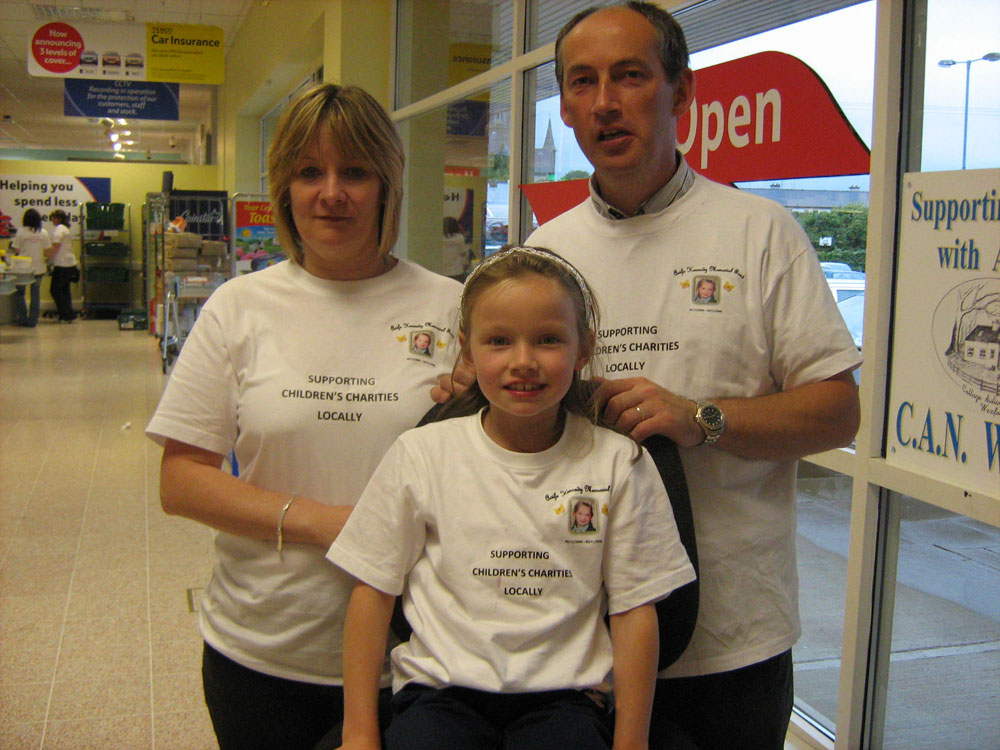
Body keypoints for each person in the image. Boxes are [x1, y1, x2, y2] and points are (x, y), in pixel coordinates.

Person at [519, 4, 863, 748]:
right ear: (569, 107)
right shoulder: (545, 253)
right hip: (578, 634)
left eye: (631, 75)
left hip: (733, 639)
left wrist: (703, 418)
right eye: (583, 82)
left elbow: (837, 413)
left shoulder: (760, 232)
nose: (606, 101)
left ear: (682, 94)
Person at [145, 83, 462, 750]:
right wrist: (331, 524)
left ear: (387, 184)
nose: (332, 193)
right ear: (284, 189)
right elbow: (182, 480)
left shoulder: (453, 309)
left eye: (355, 172)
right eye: (309, 172)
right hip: (265, 647)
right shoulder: (239, 307)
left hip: (416, 656)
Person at [330, 246, 695, 750]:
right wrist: (358, 734)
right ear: (468, 350)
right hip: (441, 692)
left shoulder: (618, 463)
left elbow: (635, 611)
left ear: (583, 348)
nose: (523, 362)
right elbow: (372, 592)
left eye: (548, 340)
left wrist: (632, 742)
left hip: (565, 698)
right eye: (499, 341)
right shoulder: (422, 454)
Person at [10, 208, 50, 327]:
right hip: (39, 267)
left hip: (23, 268)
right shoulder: (43, 232)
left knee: (19, 293)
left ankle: (22, 318)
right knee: (35, 294)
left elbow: (16, 249)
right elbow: (47, 251)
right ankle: (33, 321)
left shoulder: (21, 232)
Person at [46, 209, 79, 322]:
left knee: (55, 290)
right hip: (69, 264)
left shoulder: (59, 230)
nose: (52, 220)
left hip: (62, 264)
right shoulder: (66, 229)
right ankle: (69, 314)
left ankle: (66, 314)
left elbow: (55, 246)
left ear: (58, 219)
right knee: (64, 290)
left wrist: (48, 258)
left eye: (54, 218)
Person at [441, 216, 470, 281]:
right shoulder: (459, 238)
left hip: (442, 271)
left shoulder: (439, 238)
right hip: (457, 271)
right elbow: (464, 253)